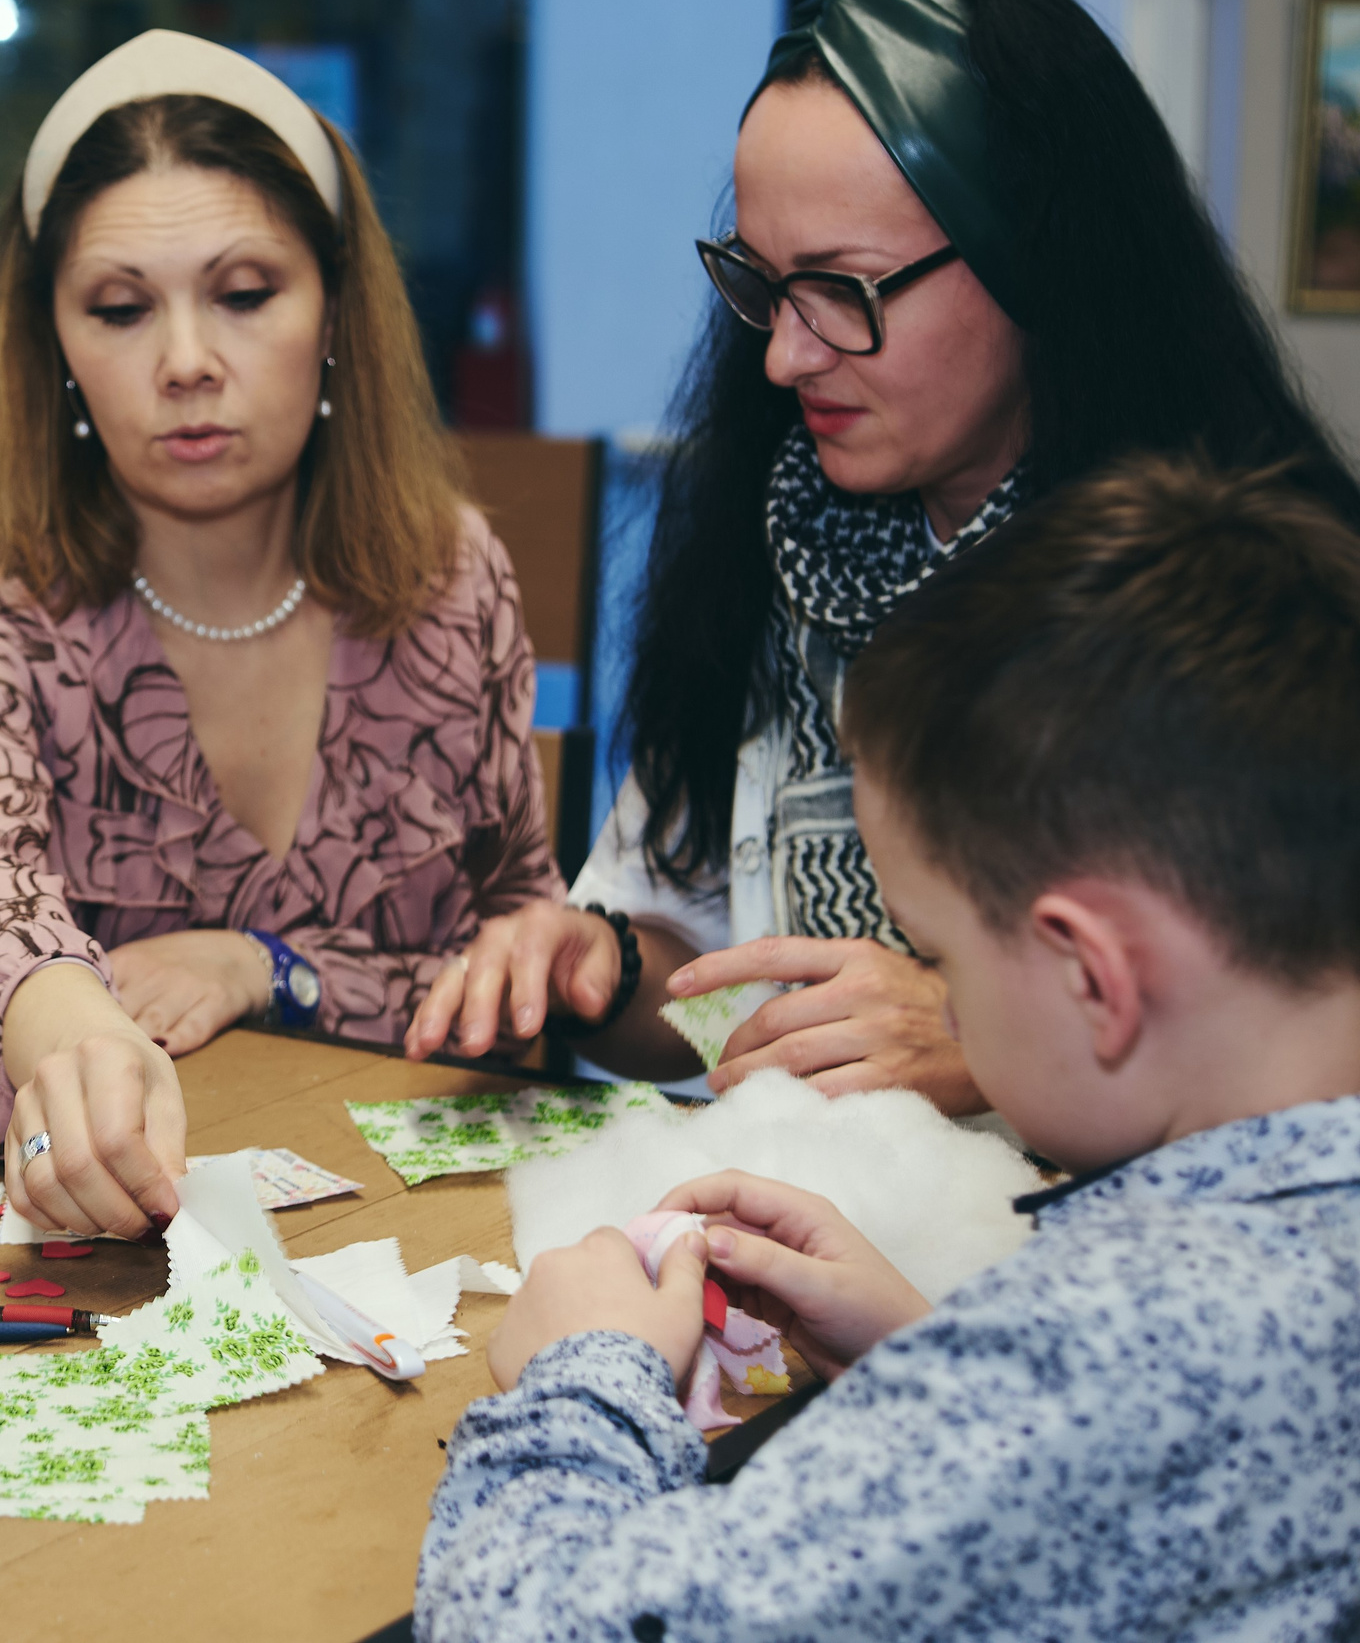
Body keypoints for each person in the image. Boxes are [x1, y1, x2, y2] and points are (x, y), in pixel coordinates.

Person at [414, 455, 1360, 1637]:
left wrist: (583, 1379)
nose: (938, 1002)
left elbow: (541, 1623)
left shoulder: (1095, 1351)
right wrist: (927, 1352)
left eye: (942, 957)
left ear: (1092, 976)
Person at [408, 0, 1360, 1112]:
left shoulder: (1240, 603)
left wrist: (981, 1045)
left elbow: (1304, 1075)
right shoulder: (777, 537)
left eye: (845, 287)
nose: (783, 355)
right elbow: (721, 989)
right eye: (763, 283)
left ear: (1037, 264)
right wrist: (606, 970)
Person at [0, 31, 560, 1239]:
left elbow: (518, 955)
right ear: (56, 353)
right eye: (119, 309)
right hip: (134, 1255)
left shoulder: (450, 580)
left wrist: (263, 964)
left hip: (430, 1231)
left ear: (336, 312)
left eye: (245, 295)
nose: (187, 363)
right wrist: (70, 1025)